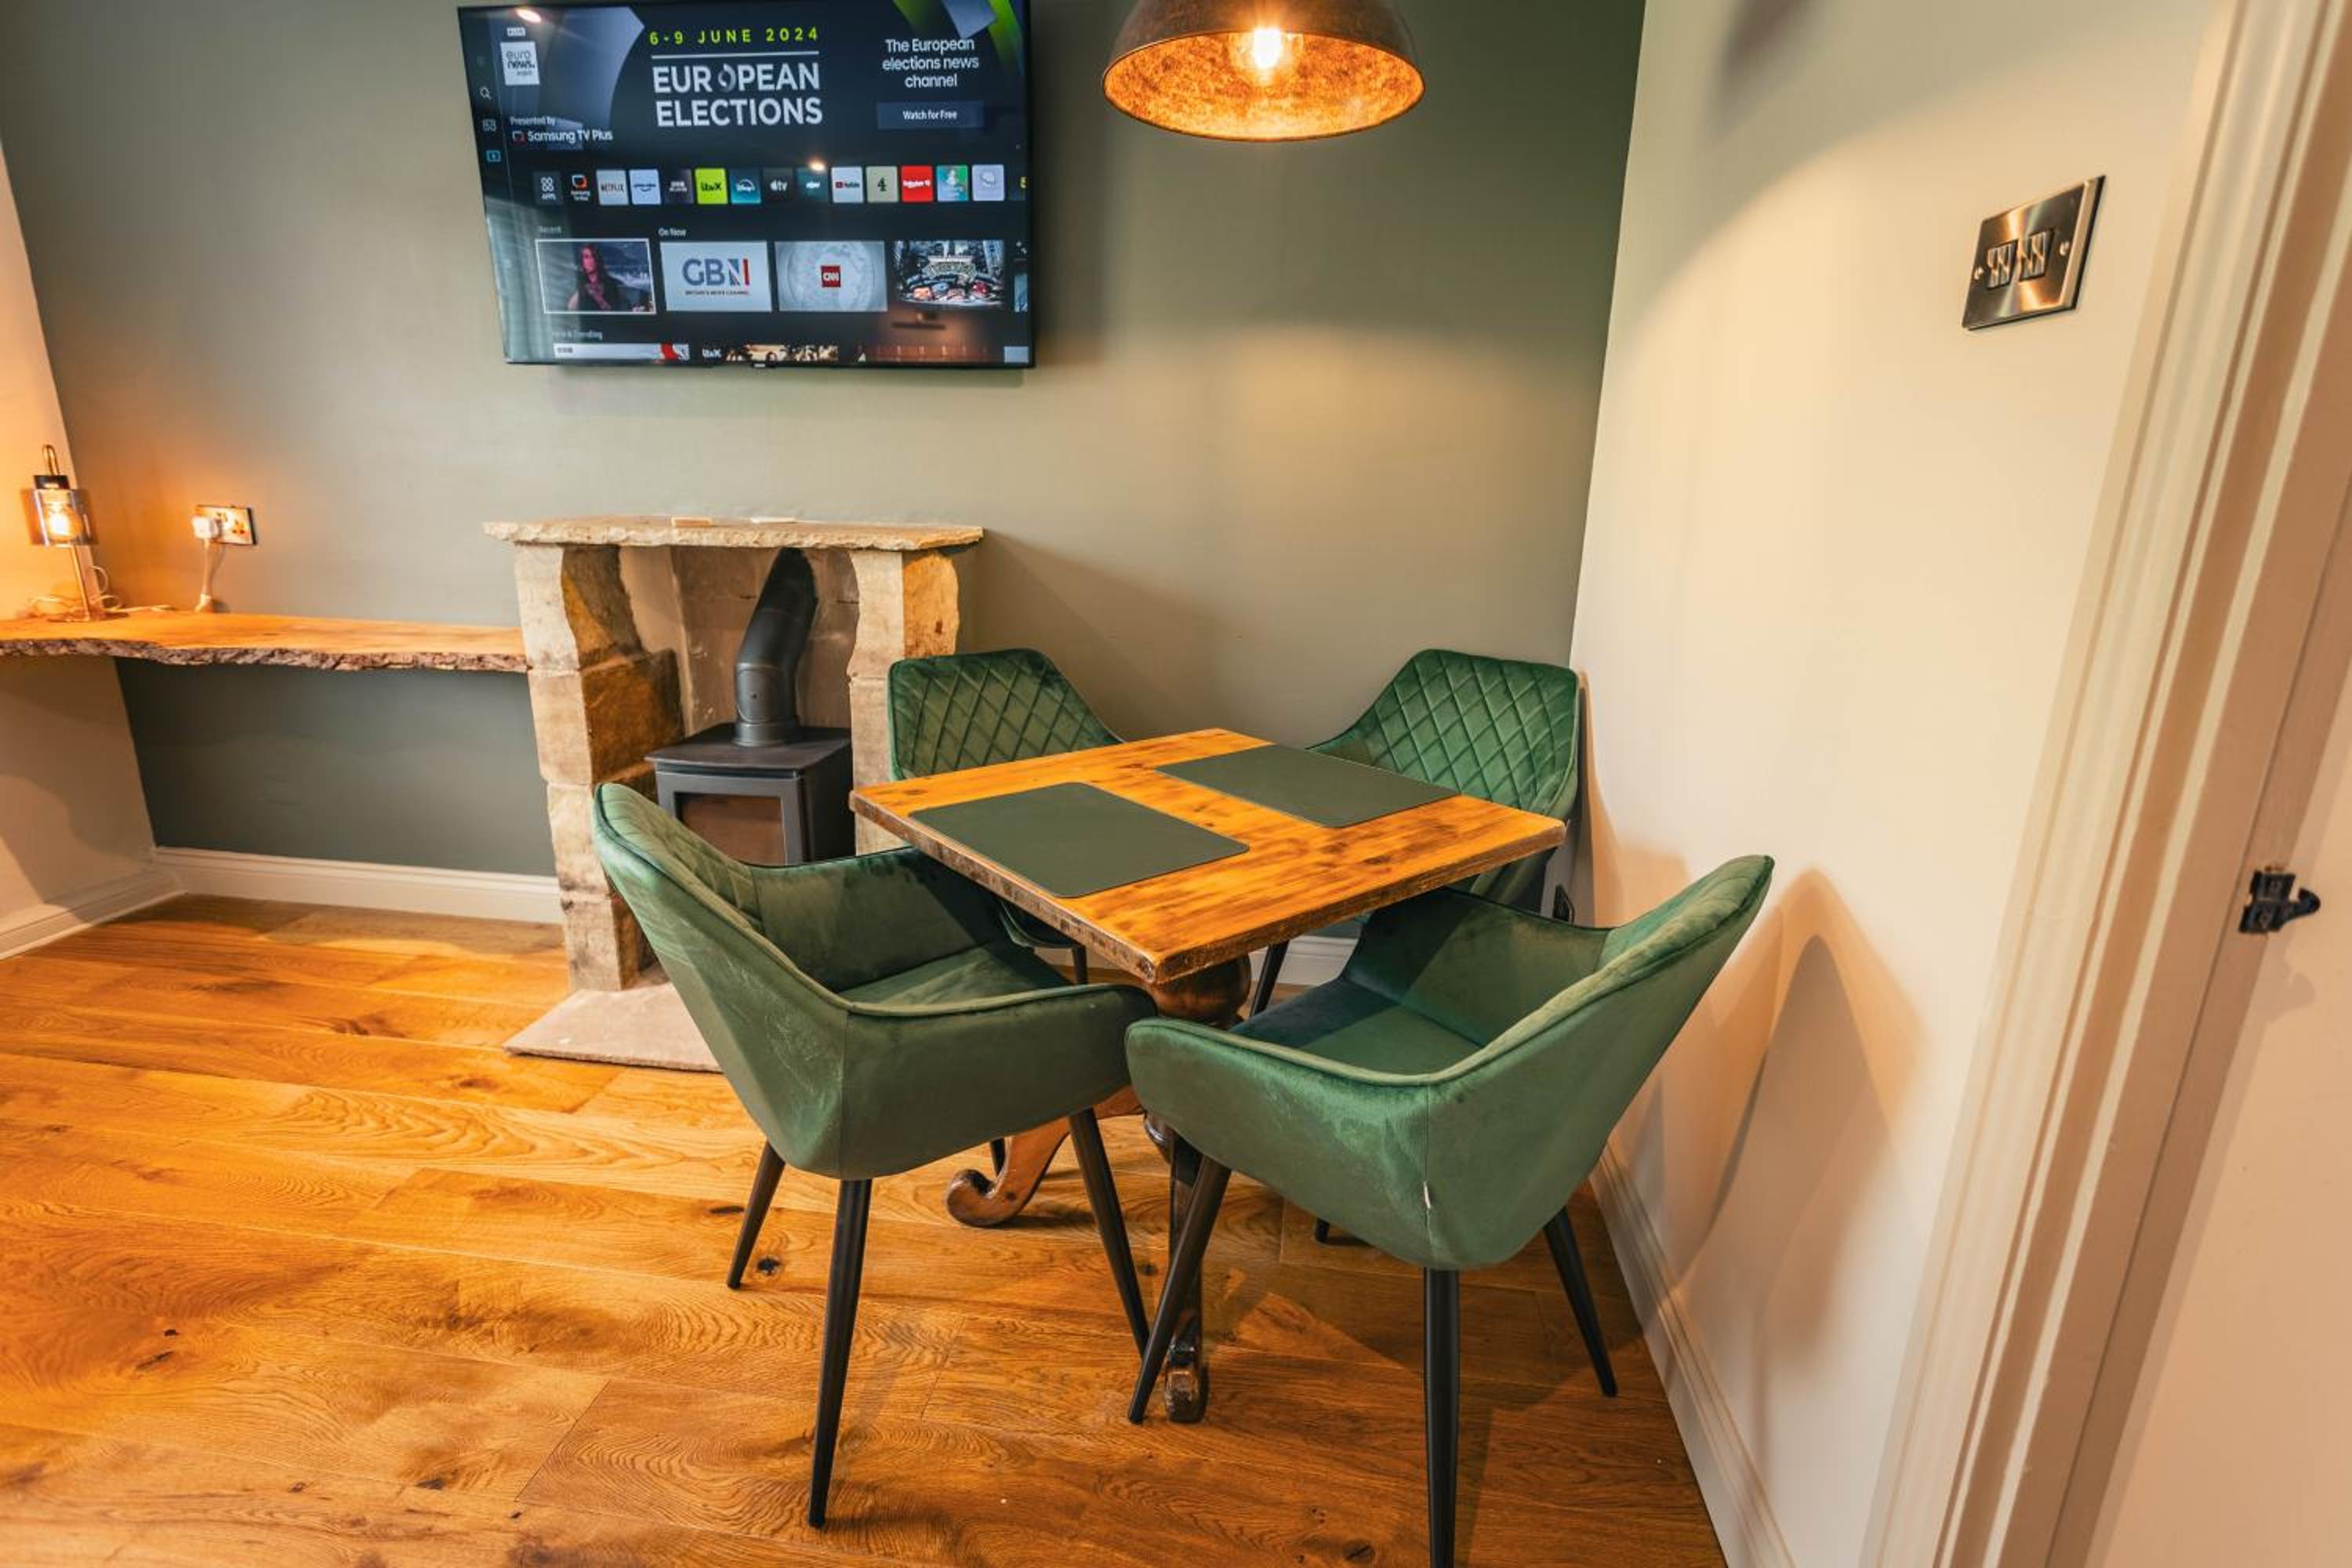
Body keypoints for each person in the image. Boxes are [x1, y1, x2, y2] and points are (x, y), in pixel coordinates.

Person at [565, 244, 647, 312]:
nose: (591, 260)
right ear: (582, 262)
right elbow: (571, 308)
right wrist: (583, 287)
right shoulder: (578, 283)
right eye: (586, 257)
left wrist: (597, 297)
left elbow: (615, 310)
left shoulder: (611, 283)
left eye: (593, 256)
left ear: (598, 259)